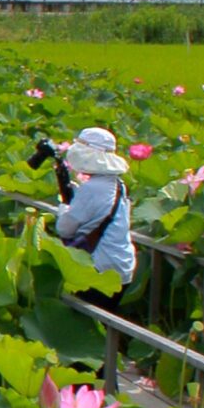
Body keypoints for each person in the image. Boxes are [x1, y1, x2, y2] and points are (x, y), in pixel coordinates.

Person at [52, 127, 135, 309]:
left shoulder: (92, 188)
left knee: (89, 319)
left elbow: (65, 228)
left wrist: (63, 208)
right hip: (123, 264)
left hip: (100, 266)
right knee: (107, 319)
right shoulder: (118, 184)